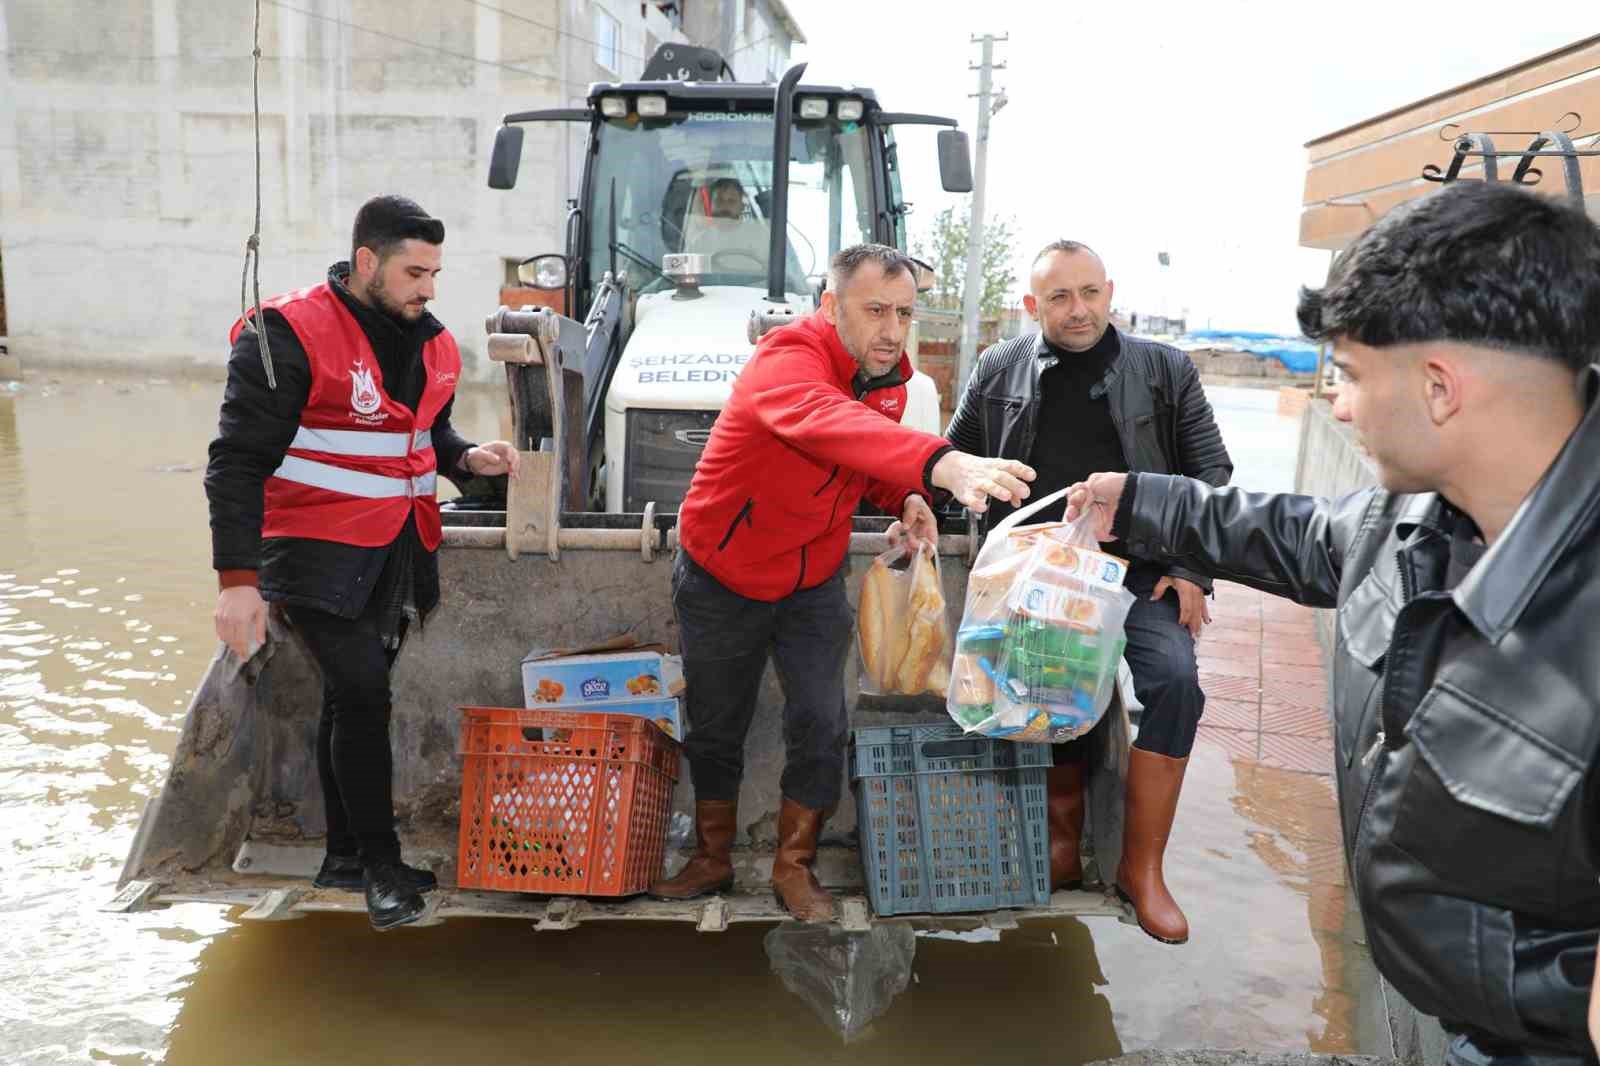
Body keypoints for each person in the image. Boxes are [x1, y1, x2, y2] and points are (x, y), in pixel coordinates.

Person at [1064, 181, 1600, 1062]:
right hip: (1465, 1020)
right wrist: (1143, 501)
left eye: (1349, 376)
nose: (1339, 407)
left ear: (1439, 387)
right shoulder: (1418, 517)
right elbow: (1302, 534)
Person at [650, 243, 1036, 920]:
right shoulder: (786, 359)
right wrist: (941, 466)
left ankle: (793, 866)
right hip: (723, 573)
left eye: (906, 313)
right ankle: (711, 858)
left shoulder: (883, 380)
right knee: (715, 722)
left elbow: (855, 456)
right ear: (830, 307)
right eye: (876, 310)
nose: (893, 329)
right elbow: (826, 422)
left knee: (822, 722)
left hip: (811, 578)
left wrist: (906, 498)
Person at [205, 195, 519, 931]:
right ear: (368, 262)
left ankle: (344, 857)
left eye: (436, 272)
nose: (429, 288)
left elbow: (424, 435)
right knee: (364, 691)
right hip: (312, 553)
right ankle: (381, 866)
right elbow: (235, 464)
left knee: (351, 699)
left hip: (395, 552)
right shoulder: (286, 333)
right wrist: (238, 584)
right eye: (415, 271)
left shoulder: (430, 342)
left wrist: (466, 456)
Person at [944, 240, 1232, 944]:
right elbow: (950, 460)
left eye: (1089, 294)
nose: (1079, 311)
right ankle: (1061, 836)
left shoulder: (1164, 369)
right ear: (1031, 306)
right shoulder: (999, 366)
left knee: (1176, 682)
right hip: (1039, 569)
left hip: (1139, 566)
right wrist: (940, 512)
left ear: (1110, 291)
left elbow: (1212, 476)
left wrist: (1192, 571)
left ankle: (1144, 867)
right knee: (1046, 683)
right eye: (1059, 298)